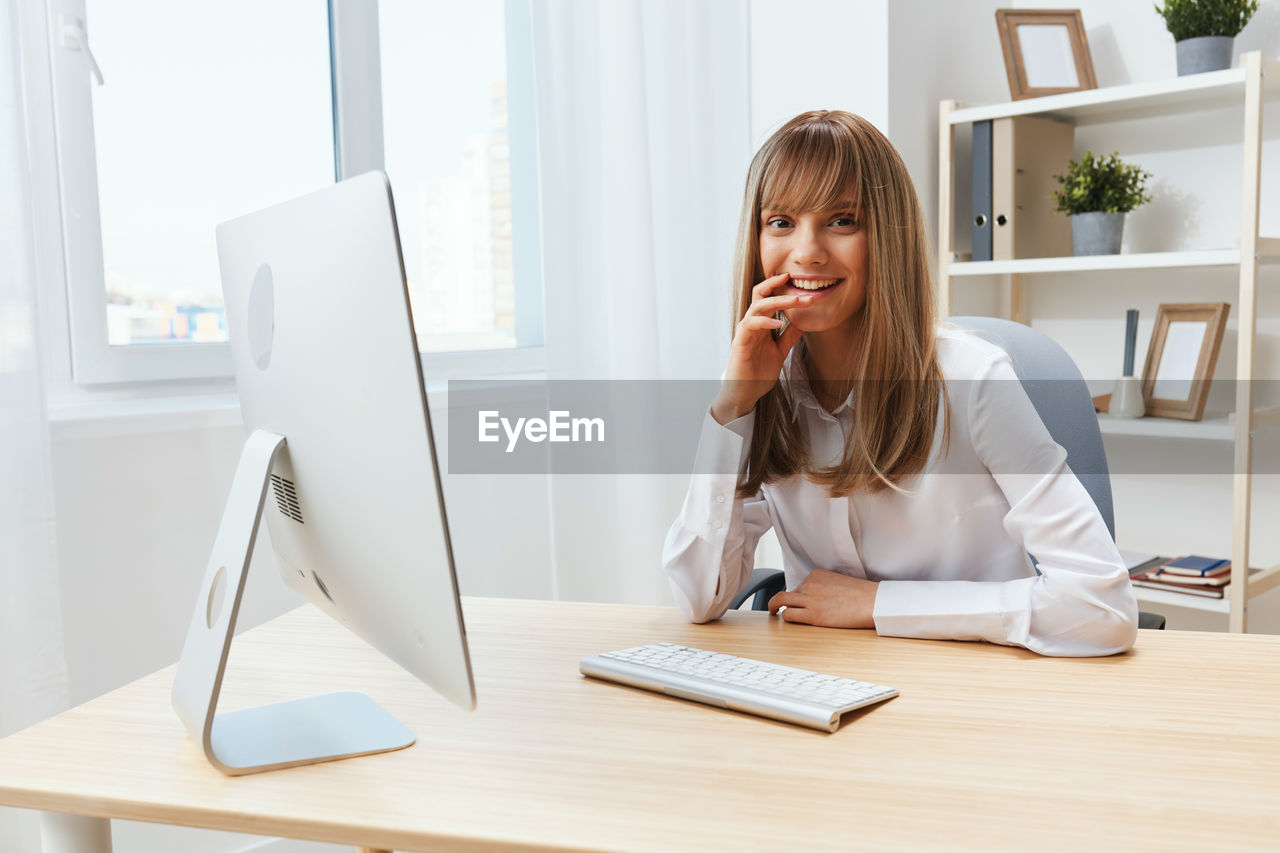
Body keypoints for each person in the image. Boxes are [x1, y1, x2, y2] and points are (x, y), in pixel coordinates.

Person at [662, 110, 1137, 657]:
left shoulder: (972, 381)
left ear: (886, 236)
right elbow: (700, 595)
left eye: (842, 220)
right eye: (781, 221)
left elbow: (1104, 609)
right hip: (824, 686)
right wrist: (731, 407)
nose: (807, 251)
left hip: (976, 687)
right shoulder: (767, 389)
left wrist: (878, 604)